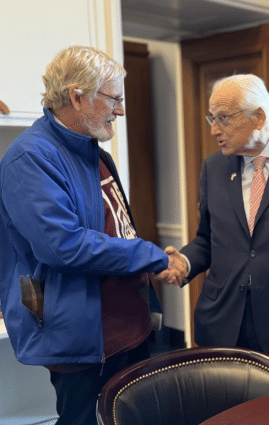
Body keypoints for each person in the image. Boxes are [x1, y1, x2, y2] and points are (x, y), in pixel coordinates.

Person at [0, 45, 181, 425]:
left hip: (128, 327)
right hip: (83, 342)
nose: (121, 109)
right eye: (113, 98)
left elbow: (116, 228)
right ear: (77, 97)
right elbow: (62, 246)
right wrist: (153, 255)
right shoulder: (29, 158)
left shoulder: (93, 150)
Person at [154, 74, 269, 383]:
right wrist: (184, 261)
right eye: (211, 117)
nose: (213, 129)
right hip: (221, 323)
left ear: (259, 117)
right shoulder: (214, 167)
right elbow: (207, 239)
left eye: (223, 118)